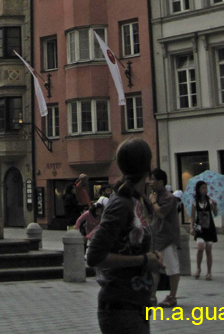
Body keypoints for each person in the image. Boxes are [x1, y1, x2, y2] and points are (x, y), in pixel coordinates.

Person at [87, 139, 164, 334]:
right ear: (148, 166)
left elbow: (130, 244)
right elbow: (94, 255)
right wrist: (144, 260)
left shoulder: (138, 200)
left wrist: (152, 257)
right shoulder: (121, 204)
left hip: (136, 304)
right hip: (120, 308)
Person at [148, 168, 180, 308]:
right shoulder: (156, 195)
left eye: (153, 179)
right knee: (154, 267)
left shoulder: (168, 197)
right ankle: (152, 296)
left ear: (161, 182)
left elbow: (161, 213)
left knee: (171, 267)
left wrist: (154, 202)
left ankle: (172, 296)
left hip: (167, 237)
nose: (151, 182)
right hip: (157, 236)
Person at [190, 180, 218, 280]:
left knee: (209, 250)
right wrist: (191, 227)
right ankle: (198, 268)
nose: (204, 190)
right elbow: (192, 216)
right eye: (202, 188)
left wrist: (214, 206)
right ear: (198, 189)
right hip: (199, 227)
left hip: (209, 227)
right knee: (200, 247)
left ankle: (209, 272)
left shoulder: (209, 200)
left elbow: (215, 213)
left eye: (206, 188)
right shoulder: (195, 201)